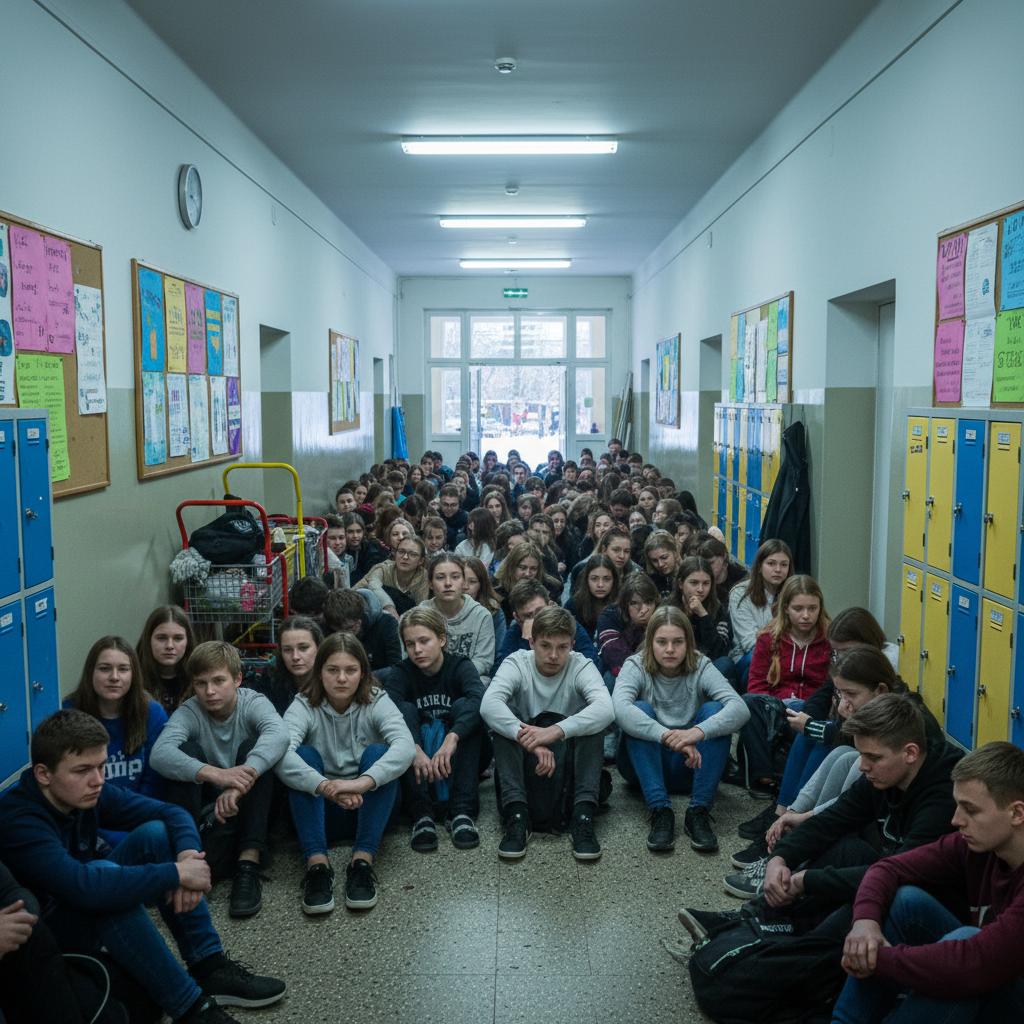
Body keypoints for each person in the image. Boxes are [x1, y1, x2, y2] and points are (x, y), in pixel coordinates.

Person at [0, 709, 286, 1024]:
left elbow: (172, 813)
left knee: (156, 835)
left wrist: (188, 856)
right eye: (82, 770)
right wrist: (176, 873)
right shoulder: (20, 821)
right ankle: (191, 1009)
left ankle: (209, 965)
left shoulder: (82, 791)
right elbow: (84, 887)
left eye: (101, 766)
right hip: (47, 939)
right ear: (44, 774)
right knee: (107, 881)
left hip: (80, 898)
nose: (97, 780)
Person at [834, 741, 1024, 1023]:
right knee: (906, 901)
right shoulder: (972, 846)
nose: (956, 820)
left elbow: (974, 962)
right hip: (989, 974)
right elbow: (887, 868)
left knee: (962, 953)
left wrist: (874, 958)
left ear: (1017, 813)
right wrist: (864, 924)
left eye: (970, 810)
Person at [276, 633, 414, 914]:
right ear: (320, 672)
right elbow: (280, 754)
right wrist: (324, 786)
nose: (341, 678)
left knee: (379, 753)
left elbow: (405, 746)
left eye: (350, 670)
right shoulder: (304, 703)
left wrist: (362, 783)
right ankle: (317, 867)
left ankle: (362, 862)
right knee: (303, 756)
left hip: (370, 809)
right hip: (321, 813)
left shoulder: (376, 700)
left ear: (362, 672)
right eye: (332, 670)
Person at [151, 641, 289, 919]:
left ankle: (248, 863)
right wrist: (216, 774)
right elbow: (159, 754)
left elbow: (279, 735)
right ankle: (190, 858)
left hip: (251, 804)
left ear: (237, 679)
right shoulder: (190, 711)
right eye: (201, 683)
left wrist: (237, 783)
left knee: (256, 749)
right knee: (186, 753)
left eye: (218, 681)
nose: (210, 691)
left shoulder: (253, 702)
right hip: (210, 810)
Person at [481, 606, 614, 861]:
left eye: (562, 647)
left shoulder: (580, 665)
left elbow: (606, 710)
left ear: (572, 645)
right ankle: (517, 815)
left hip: (569, 765)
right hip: (526, 762)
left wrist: (554, 732)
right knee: (505, 720)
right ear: (532, 643)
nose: (553, 655)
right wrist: (531, 740)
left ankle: (583, 815)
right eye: (545, 646)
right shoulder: (517, 662)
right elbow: (488, 705)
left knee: (592, 722)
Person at [614, 606, 749, 854]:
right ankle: (660, 810)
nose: (669, 649)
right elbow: (620, 710)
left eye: (678, 642)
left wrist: (696, 733)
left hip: (692, 766)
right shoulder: (635, 664)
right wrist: (667, 736)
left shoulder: (701, 664)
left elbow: (740, 709)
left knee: (715, 710)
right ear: (650, 642)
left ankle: (699, 810)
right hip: (645, 767)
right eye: (661, 642)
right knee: (639, 710)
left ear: (688, 643)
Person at [383, 608, 485, 852]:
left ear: (441, 639)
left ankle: (462, 811)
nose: (417, 650)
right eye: (410, 644)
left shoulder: (460, 665)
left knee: (465, 708)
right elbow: (386, 711)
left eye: (424, 641)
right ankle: (422, 815)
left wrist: (453, 737)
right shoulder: (401, 672)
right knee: (403, 712)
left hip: (458, 756)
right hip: (420, 760)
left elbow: (479, 700)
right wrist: (412, 747)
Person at [64, 636, 168, 845]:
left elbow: (155, 783)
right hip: (87, 826)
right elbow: (66, 790)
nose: (114, 677)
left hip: (139, 818)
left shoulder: (152, 713)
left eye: (123, 669)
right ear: (91, 672)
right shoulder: (68, 713)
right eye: (105, 669)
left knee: (158, 833)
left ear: (133, 674)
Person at [739, 574, 831, 796]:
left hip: (813, 708)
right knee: (748, 702)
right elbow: (756, 684)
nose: (806, 615)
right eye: (798, 608)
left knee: (803, 709)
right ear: (786, 608)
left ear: (820, 608)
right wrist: (778, 706)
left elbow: (832, 687)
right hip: (776, 706)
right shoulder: (768, 638)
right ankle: (763, 778)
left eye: (812, 608)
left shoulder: (830, 639)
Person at [421, 553, 496, 685]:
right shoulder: (419, 615)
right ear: (430, 583)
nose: (448, 583)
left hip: (466, 679)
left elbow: (483, 661)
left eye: (455, 577)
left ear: (463, 582)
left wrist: (453, 676)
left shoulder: (481, 615)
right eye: (440, 577)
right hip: (428, 679)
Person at [727, 539, 793, 686]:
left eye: (784, 565)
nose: (778, 569)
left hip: (787, 654)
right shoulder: (740, 593)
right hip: (747, 658)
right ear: (759, 566)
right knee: (756, 657)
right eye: (771, 563)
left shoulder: (793, 594)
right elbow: (749, 642)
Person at [495, 579, 600, 671]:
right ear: (517, 618)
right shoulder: (514, 634)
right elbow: (501, 670)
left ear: (550, 605)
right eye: (528, 616)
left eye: (540, 611)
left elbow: (591, 662)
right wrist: (528, 641)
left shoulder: (569, 625)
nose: (536, 619)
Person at [672, 555, 739, 689]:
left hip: (707, 668)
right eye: (694, 583)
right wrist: (685, 617)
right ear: (680, 584)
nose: (700, 589)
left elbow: (720, 651)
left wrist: (703, 616)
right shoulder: (668, 608)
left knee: (726, 664)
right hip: (676, 669)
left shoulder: (717, 608)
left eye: (706, 583)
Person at [247, 615, 323, 715]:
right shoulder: (271, 678)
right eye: (287, 650)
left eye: (303, 648)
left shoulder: (332, 678)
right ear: (280, 652)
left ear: (319, 648)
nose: (295, 657)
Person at [596, 573, 660, 684]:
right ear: (625, 605)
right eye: (634, 603)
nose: (643, 609)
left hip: (656, 675)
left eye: (648, 602)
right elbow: (616, 657)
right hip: (625, 673)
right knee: (610, 677)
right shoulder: (610, 615)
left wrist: (649, 627)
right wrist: (636, 627)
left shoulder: (663, 614)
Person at [322, 588, 403, 670]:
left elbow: (396, 667)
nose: (345, 635)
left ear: (359, 621)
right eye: (338, 631)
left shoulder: (387, 623)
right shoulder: (326, 627)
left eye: (350, 628)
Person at [136, 604, 196, 715]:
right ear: (148, 640)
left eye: (178, 638)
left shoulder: (199, 679)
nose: (169, 646)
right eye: (161, 638)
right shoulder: (132, 678)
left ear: (188, 641)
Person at [353, 534, 429, 617]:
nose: (405, 557)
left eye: (413, 554)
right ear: (395, 554)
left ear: (421, 561)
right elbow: (373, 585)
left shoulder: (423, 576)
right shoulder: (384, 568)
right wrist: (390, 608)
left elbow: (422, 609)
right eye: (401, 552)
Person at [461, 554, 507, 656]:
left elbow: (499, 652)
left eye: (472, 582)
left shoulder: (494, 611)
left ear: (481, 585)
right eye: (461, 579)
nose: (465, 586)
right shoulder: (444, 607)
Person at [564, 553, 620, 637]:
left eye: (606, 579)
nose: (600, 585)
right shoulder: (573, 605)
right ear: (586, 579)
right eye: (594, 579)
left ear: (614, 580)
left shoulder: (622, 605)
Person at [697, 536, 749, 606]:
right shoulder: (699, 580)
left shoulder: (742, 577)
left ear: (723, 556)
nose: (707, 567)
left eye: (711, 563)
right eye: (704, 563)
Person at [339, 511, 388, 581]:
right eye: (350, 531)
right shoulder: (338, 549)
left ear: (363, 531)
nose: (355, 536)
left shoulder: (372, 549)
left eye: (358, 531)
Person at [643, 529, 681, 599]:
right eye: (654, 560)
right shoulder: (649, 581)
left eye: (664, 557)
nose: (660, 564)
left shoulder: (689, 574)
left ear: (675, 553)